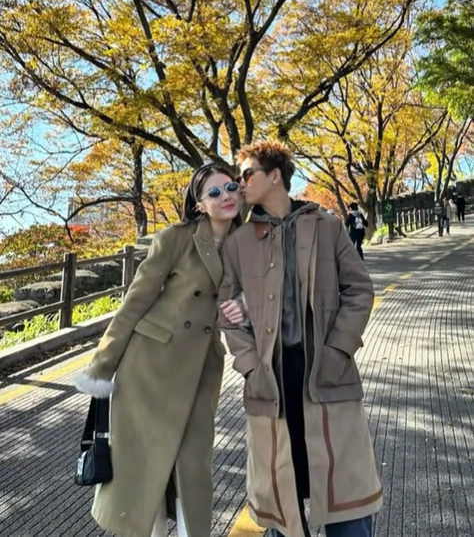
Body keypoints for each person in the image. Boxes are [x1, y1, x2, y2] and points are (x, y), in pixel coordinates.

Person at [219, 142, 382, 537]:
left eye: (247, 174)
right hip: (272, 383)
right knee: (282, 505)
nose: (240, 184)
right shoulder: (239, 243)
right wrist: (250, 366)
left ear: (275, 175)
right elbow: (227, 310)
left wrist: (338, 349)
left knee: (347, 502)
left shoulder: (327, 226)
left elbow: (359, 290)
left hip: (326, 375)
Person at [74, 164, 242, 537]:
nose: (226, 196)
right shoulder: (175, 239)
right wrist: (101, 366)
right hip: (149, 368)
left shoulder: (247, 245)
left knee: (192, 463)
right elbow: (135, 302)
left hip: (202, 369)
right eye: (214, 193)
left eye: (231, 187)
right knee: (146, 465)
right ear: (199, 204)